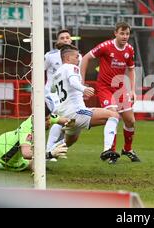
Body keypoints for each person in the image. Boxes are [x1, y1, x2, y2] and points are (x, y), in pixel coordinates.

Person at [80, 22, 141, 164]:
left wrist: (132, 90)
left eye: (127, 34)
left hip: (120, 88)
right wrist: (82, 83)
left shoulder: (130, 50)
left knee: (130, 121)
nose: (125, 36)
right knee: (113, 115)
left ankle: (127, 149)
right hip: (105, 88)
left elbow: (131, 69)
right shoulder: (105, 46)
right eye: (122, 33)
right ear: (115, 33)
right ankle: (111, 152)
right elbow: (85, 58)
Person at [51, 45, 121, 163]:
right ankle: (107, 149)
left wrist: (78, 92)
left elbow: (54, 90)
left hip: (65, 114)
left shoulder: (56, 74)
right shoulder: (71, 67)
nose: (79, 59)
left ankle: (47, 154)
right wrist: (83, 89)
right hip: (76, 112)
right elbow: (73, 82)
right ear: (67, 58)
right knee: (113, 115)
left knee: (69, 142)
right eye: (76, 56)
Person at [0, 105, 71, 171]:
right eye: (46, 119)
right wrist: (51, 154)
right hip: (9, 156)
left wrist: (74, 122)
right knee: (32, 165)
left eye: (48, 119)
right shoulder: (28, 131)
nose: (49, 122)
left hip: (5, 141)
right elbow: (26, 154)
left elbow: (66, 120)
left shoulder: (41, 116)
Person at [44, 29, 83, 161]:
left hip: (69, 95)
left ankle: (53, 150)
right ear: (58, 41)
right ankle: (48, 149)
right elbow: (39, 69)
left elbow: (78, 76)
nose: (65, 39)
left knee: (69, 122)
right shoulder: (50, 56)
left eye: (67, 37)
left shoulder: (78, 56)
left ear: (71, 40)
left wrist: (82, 90)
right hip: (53, 93)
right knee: (60, 119)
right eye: (62, 38)